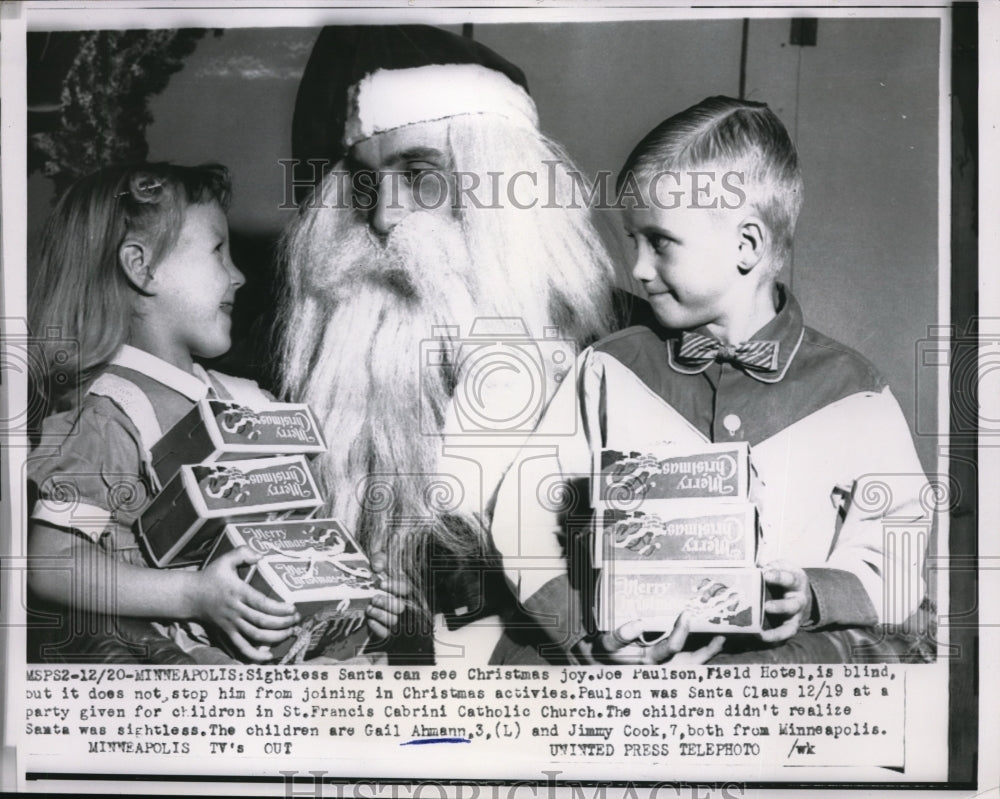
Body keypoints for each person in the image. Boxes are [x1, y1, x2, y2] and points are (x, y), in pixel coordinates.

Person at [491, 96, 931, 665]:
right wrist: (583, 632)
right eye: (633, 242)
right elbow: (523, 514)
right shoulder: (609, 369)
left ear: (746, 246)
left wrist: (815, 594)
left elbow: (897, 551)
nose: (639, 269)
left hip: (773, 689)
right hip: (625, 672)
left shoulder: (854, 391)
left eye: (660, 242)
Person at [278, 26, 620, 663]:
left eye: (419, 174)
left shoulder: (617, 358)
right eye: (363, 183)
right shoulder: (310, 378)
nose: (382, 217)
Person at [26, 162, 406, 664]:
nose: (239, 275)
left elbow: (289, 539)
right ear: (141, 267)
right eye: (217, 250)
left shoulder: (246, 400)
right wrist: (194, 594)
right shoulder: (111, 414)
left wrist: (356, 590)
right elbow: (51, 564)